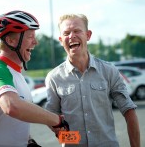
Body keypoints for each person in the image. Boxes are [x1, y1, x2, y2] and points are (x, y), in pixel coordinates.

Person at [45, 14, 140, 147]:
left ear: (88, 35)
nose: (71, 36)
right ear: (61, 40)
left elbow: (129, 110)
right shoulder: (54, 77)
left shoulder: (109, 71)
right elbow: (51, 117)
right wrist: (72, 140)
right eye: (66, 33)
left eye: (77, 31)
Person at [0, 10, 69, 147]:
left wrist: (27, 139)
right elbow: (11, 106)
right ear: (10, 40)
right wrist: (56, 120)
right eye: (30, 37)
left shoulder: (15, 73)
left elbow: (7, 123)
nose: (36, 42)